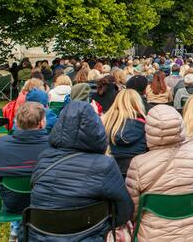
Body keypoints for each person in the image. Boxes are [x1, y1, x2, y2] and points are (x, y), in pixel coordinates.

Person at [29, 101, 133, 241]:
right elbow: (124, 211)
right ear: (95, 129)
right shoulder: (105, 165)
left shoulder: (43, 159)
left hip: (39, 237)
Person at [126, 105, 193, 242]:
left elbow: (133, 212)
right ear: (180, 125)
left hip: (155, 236)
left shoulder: (138, 165)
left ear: (149, 130)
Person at [0, 102, 50, 242]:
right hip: (46, 201)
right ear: (41, 123)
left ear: (16, 122)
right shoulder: (53, 146)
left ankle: (16, 230)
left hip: (14, 202)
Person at [102, 89, 147, 175]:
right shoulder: (146, 125)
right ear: (138, 104)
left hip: (111, 173)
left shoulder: (105, 123)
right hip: (139, 173)